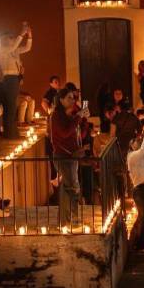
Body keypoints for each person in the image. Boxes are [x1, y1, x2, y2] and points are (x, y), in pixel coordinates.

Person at [50, 87, 89, 227]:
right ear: (61, 100)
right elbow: (65, 133)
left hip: (72, 156)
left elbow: (81, 135)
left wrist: (83, 120)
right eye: (69, 98)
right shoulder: (56, 116)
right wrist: (79, 117)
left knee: (73, 186)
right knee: (69, 188)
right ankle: (67, 221)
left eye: (73, 97)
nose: (73, 100)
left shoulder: (70, 116)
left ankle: (72, 219)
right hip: (62, 156)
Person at [0, 23, 32, 139]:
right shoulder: (2, 49)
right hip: (9, 79)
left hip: (14, 79)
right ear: (4, 40)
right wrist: (21, 34)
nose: (12, 39)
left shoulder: (14, 51)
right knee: (10, 107)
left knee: (11, 107)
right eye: (10, 38)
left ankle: (11, 133)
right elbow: (13, 46)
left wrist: (30, 36)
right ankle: (10, 134)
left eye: (12, 38)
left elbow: (27, 48)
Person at [126, 129, 144, 250]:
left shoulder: (141, 156)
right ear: (131, 146)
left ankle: (141, 240)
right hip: (140, 189)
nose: (137, 141)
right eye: (134, 141)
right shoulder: (132, 156)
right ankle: (139, 241)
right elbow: (143, 150)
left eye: (138, 140)